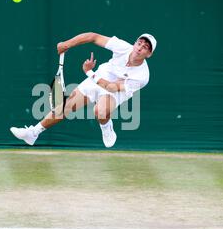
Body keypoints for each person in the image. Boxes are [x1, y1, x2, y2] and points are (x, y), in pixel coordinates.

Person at [10, 32, 156, 148]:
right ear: (135, 43)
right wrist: (67, 44)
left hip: (115, 91)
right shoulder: (123, 46)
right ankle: (33, 133)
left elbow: (112, 87)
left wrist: (88, 72)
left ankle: (106, 127)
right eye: (139, 43)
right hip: (101, 76)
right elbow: (93, 36)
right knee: (65, 107)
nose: (139, 47)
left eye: (145, 47)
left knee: (100, 111)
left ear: (149, 54)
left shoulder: (142, 76)